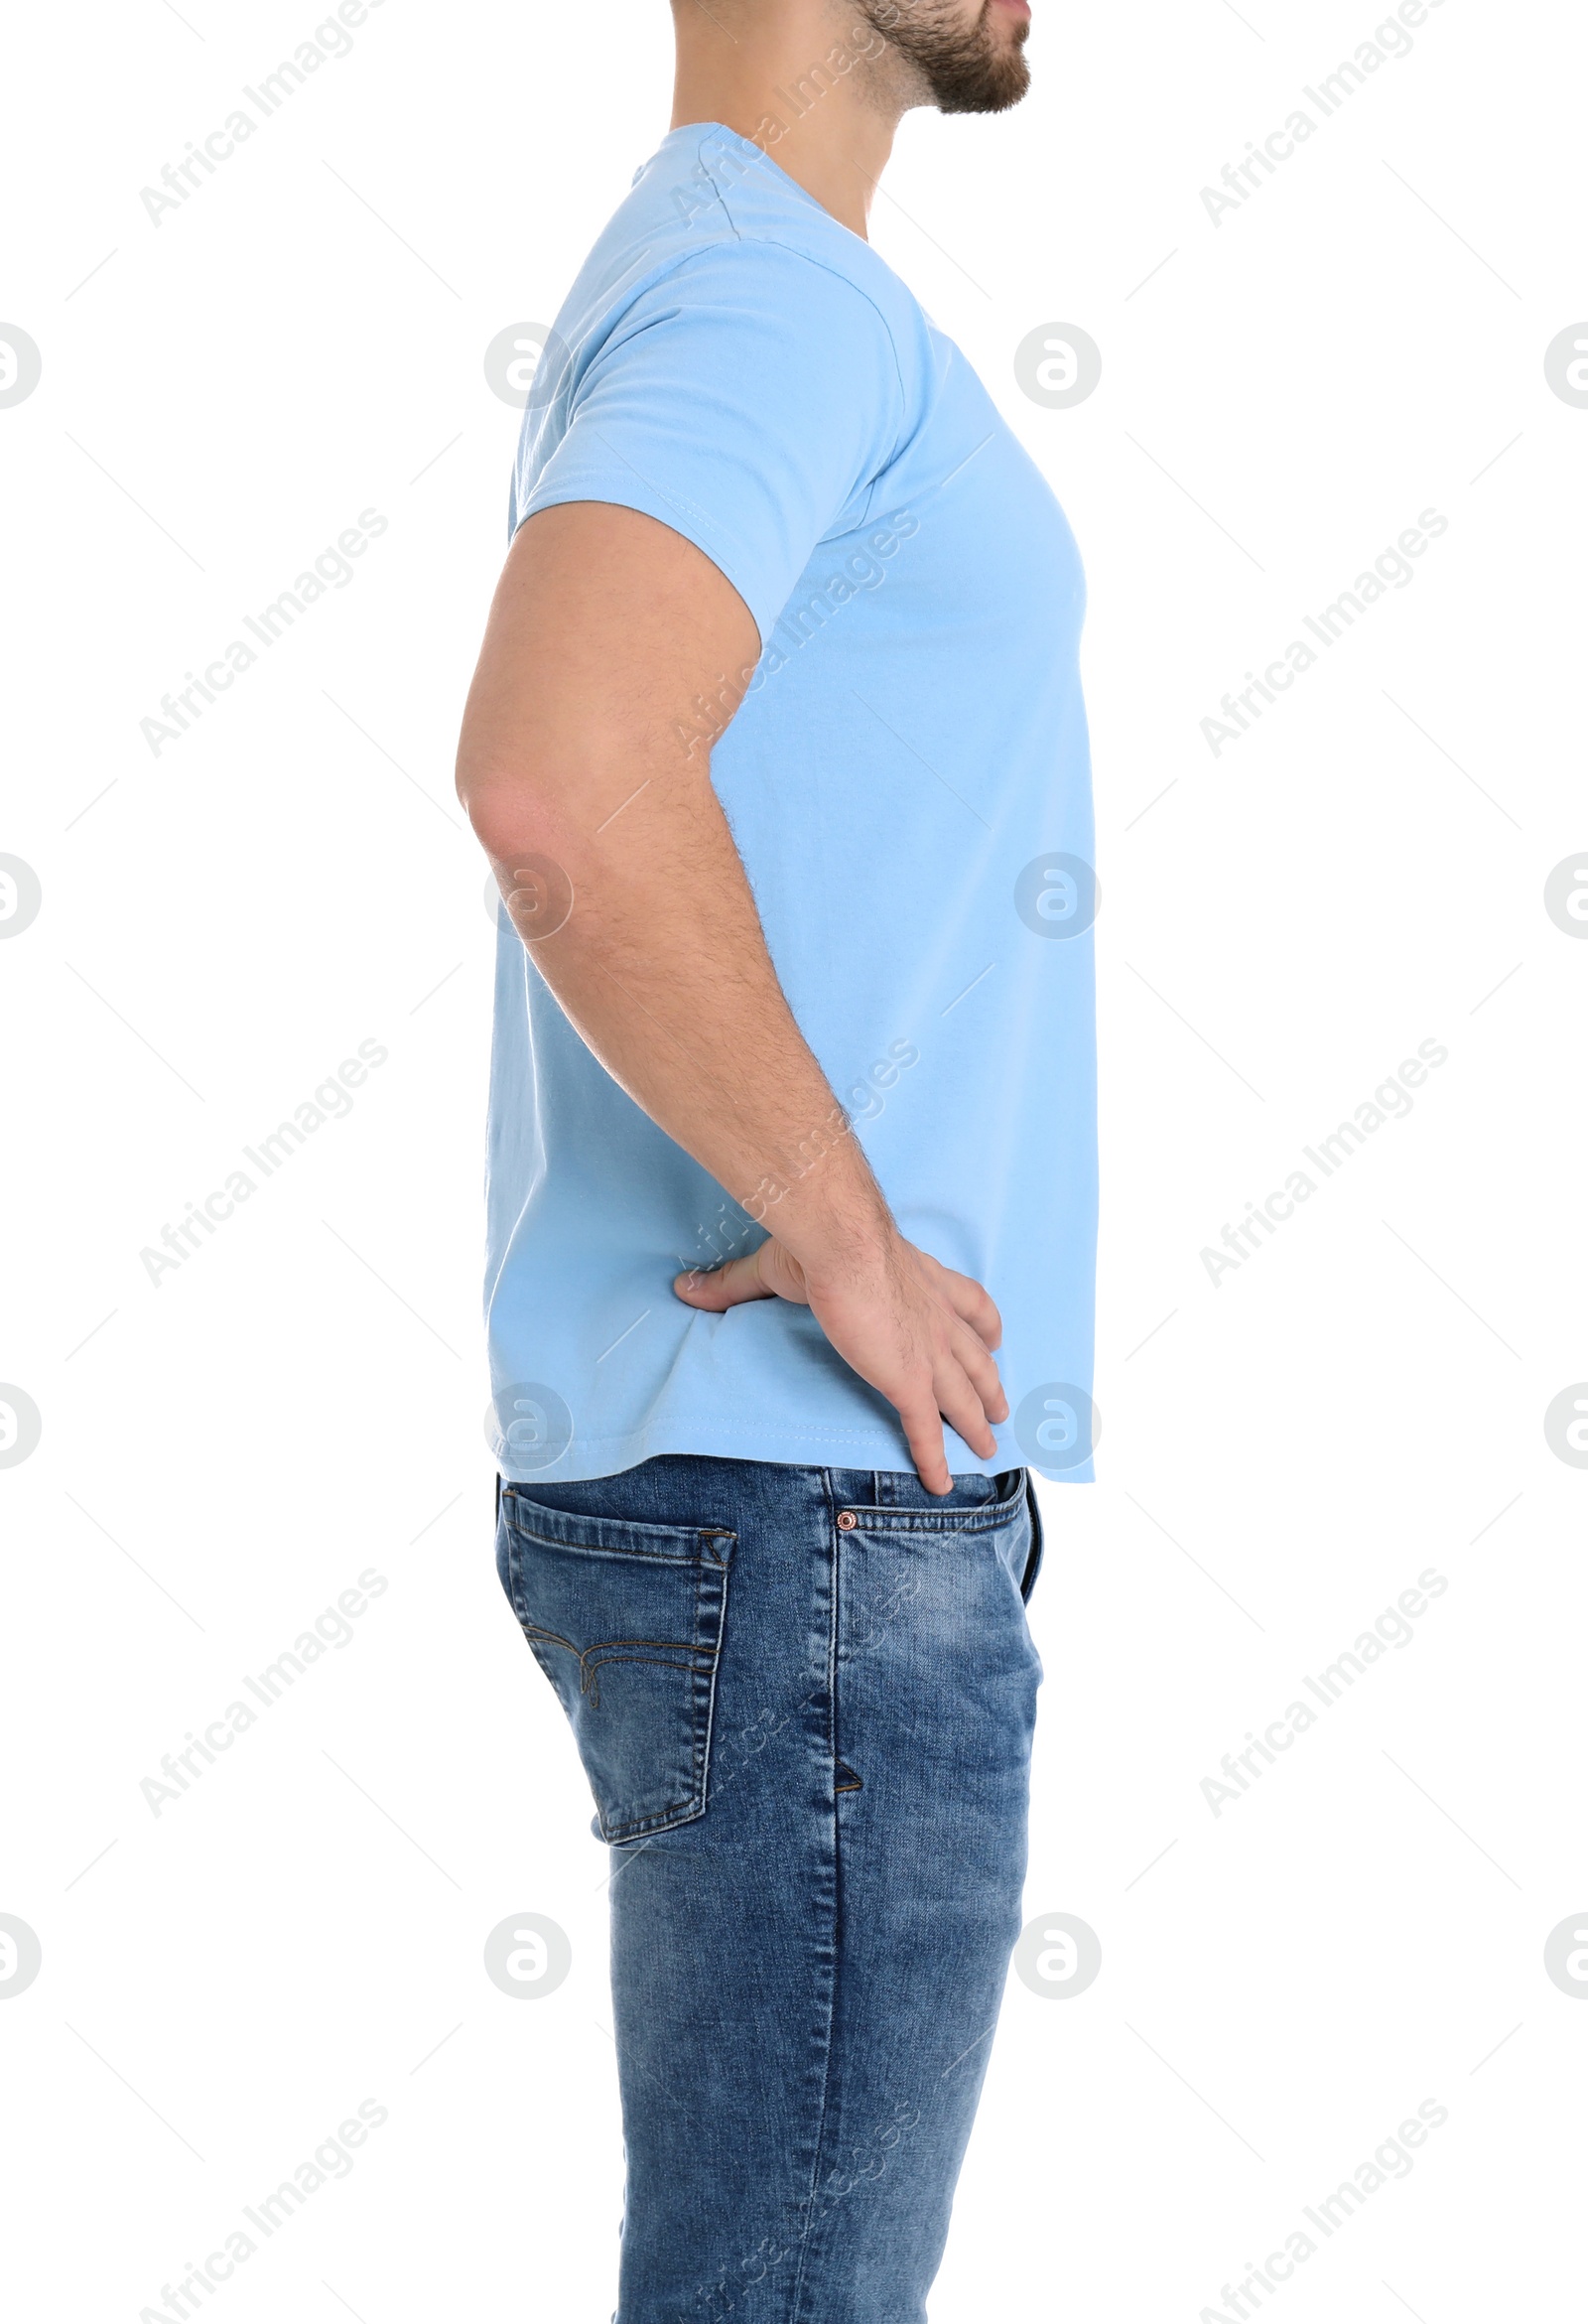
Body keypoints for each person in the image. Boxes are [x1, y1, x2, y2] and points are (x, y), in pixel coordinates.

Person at [455, 2, 1096, 2313]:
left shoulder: (749, 276)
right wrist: (844, 1236)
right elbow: (561, 784)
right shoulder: (760, 295)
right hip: (807, 1510)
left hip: (782, 1508)